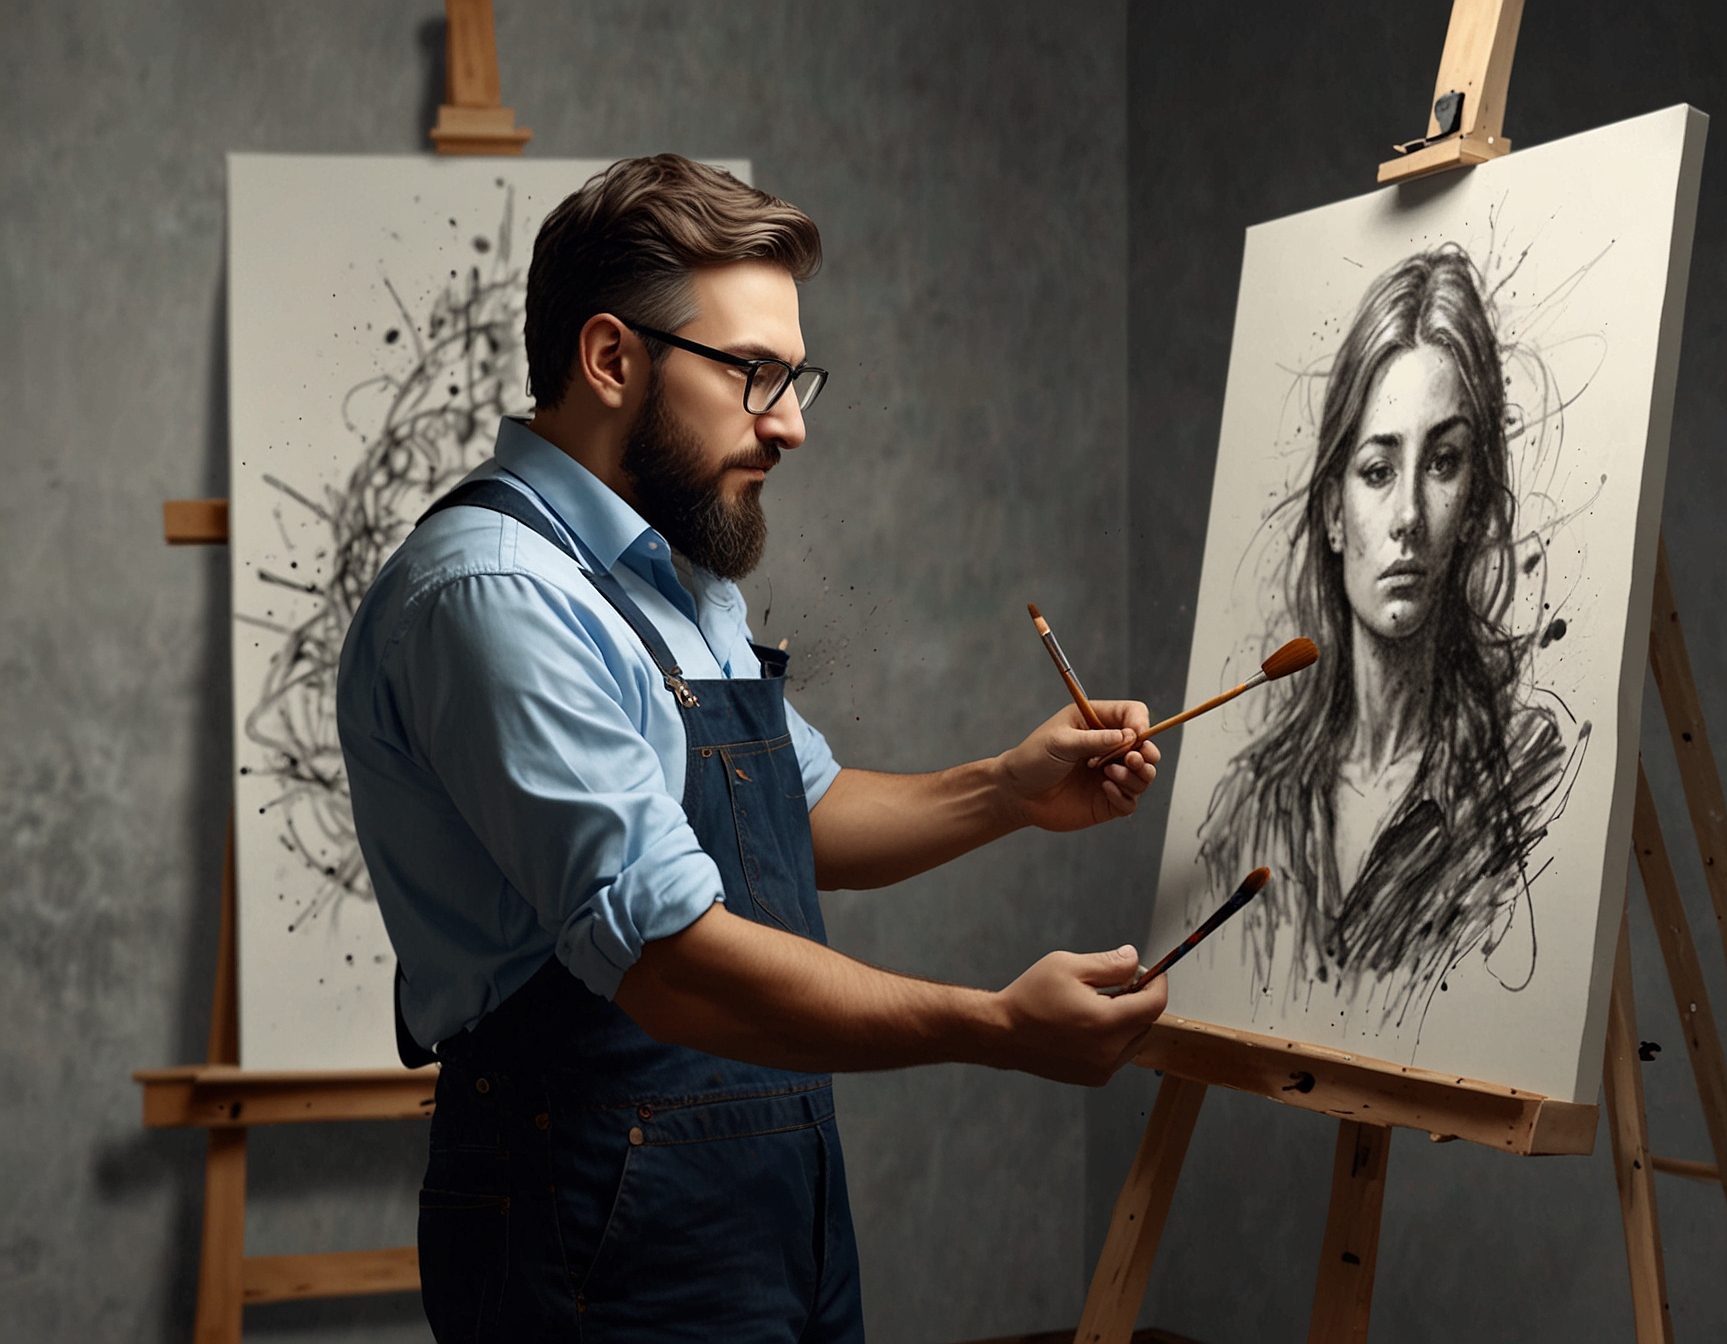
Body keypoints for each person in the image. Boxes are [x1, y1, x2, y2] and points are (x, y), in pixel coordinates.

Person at [336, 154, 1166, 1342]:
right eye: (755, 375)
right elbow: (668, 958)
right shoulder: (495, 595)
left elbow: (796, 815)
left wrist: (1007, 789)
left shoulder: (675, 573)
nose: (791, 423)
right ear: (612, 359)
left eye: (796, 376)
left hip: (766, 1200)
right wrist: (993, 1028)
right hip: (592, 1221)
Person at [1188, 245, 1569, 1030]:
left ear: (1474, 503)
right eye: (1376, 469)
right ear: (1333, 512)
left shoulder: (1529, 782)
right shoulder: (1257, 807)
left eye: (1444, 462)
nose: (1407, 517)